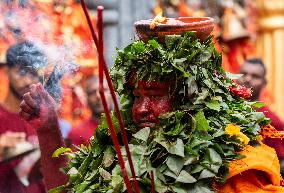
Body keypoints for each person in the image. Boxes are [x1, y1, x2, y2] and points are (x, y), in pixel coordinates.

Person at [20, 29, 284, 192]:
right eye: (137, 96)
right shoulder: (120, 150)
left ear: (189, 99)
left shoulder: (237, 163)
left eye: (155, 95)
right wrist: (48, 130)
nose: (142, 109)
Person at [0, 41, 48, 193]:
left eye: (33, 73)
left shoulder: (42, 117)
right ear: (7, 70)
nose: (28, 81)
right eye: (21, 72)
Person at [237, 58, 284, 170]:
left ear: (264, 82)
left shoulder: (272, 121)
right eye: (243, 74)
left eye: (255, 76)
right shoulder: (222, 108)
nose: (248, 79)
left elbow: (280, 163)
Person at [68, 75, 111, 146]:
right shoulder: (77, 133)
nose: (98, 96)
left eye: (103, 90)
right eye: (92, 92)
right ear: (86, 98)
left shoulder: (125, 126)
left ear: (113, 94)